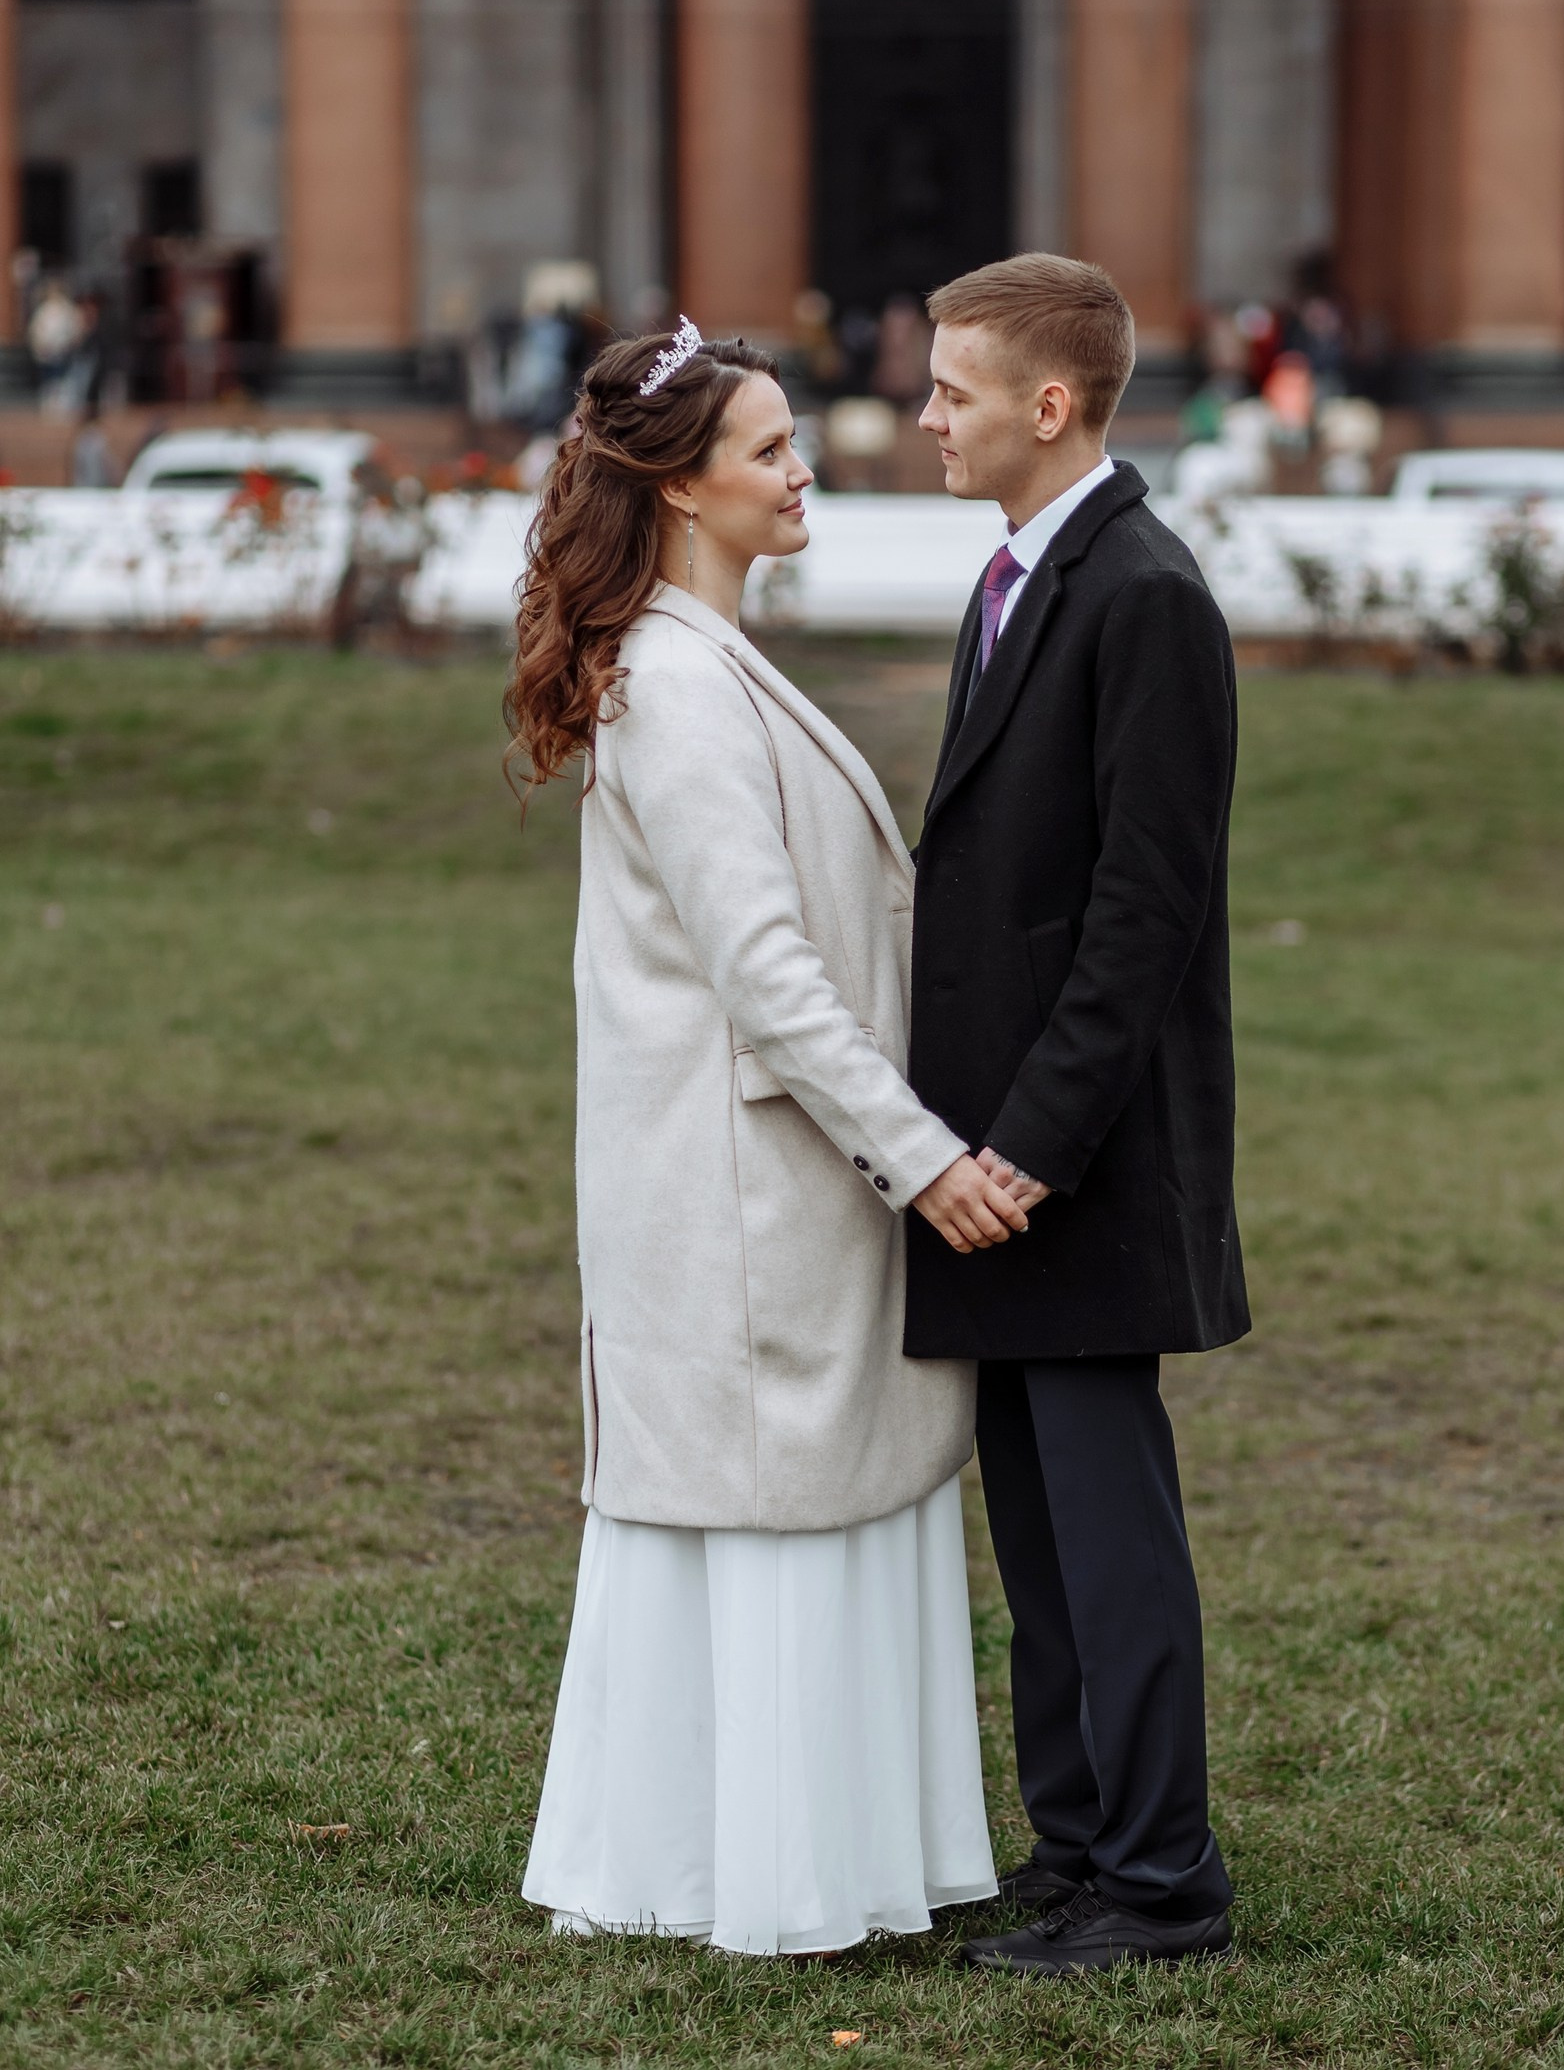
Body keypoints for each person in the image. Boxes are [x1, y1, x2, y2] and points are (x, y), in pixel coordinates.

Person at [508, 319, 1024, 1957]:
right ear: (678, 488)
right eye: (771, 451)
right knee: (770, 1513)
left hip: (766, 1179)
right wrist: (924, 1158)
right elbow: (770, 978)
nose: (804, 469)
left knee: (811, 1506)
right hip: (743, 1189)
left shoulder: (708, 661)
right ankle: (756, 1872)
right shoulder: (675, 684)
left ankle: (787, 1855)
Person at [906, 252, 1251, 1976]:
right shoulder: (1020, 575)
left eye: (952, 390)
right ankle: (1080, 1847)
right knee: (1038, 1538)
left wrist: (1028, 1145)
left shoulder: (1145, 595)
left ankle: (1165, 1886)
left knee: (1112, 1539)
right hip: (996, 1160)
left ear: (1051, 405)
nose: (925, 418)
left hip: (1081, 1163)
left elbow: (1144, 913)